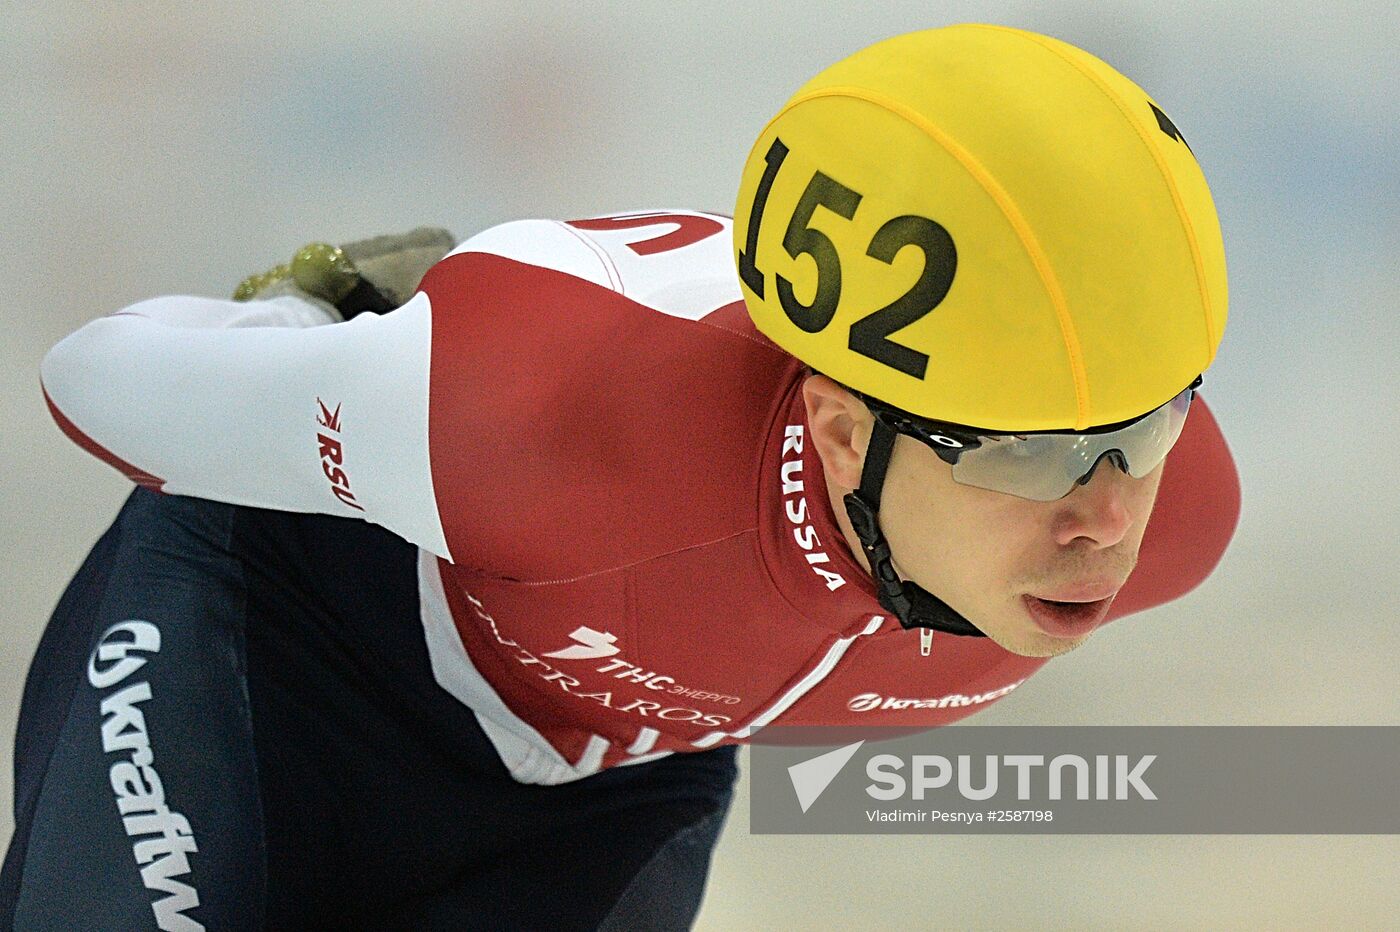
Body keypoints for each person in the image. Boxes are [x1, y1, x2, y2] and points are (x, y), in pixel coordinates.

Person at [3, 23, 1241, 931]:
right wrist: (308, 324)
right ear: (841, 432)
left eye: (1145, 429)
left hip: (611, 776)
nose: (1107, 519)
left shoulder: (1177, 519)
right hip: (288, 639)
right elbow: (93, 376)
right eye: (1028, 452)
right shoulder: (538, 426)